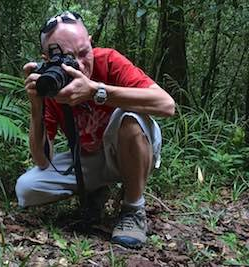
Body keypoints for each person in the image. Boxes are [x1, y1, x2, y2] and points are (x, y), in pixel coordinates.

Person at [15, 11, 175, 248]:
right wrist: (37, 106)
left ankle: (133, 208)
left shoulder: (109, 60)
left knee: (128, 117)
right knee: (26, 188)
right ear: (47, 58)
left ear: (90, 42)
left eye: (83, 52)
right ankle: (98, 190)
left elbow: (166, 104)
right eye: (68, 58)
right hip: (90, 158)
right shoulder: (52, 83)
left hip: (130, 147)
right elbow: (42, 160)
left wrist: (96, 91)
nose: (79, 65)